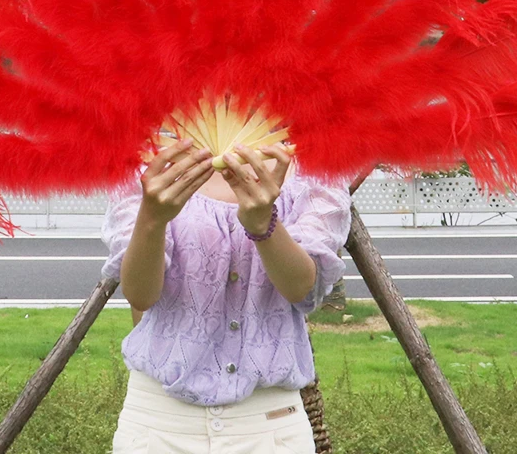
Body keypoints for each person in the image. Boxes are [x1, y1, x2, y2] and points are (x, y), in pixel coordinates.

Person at [101, 137, 351, 453]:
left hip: (270, 426)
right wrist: (152, 217)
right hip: (158, 423)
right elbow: (140, 294)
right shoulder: (149, 165)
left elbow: (303, 289)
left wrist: (264, 225)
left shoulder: (318, 169)